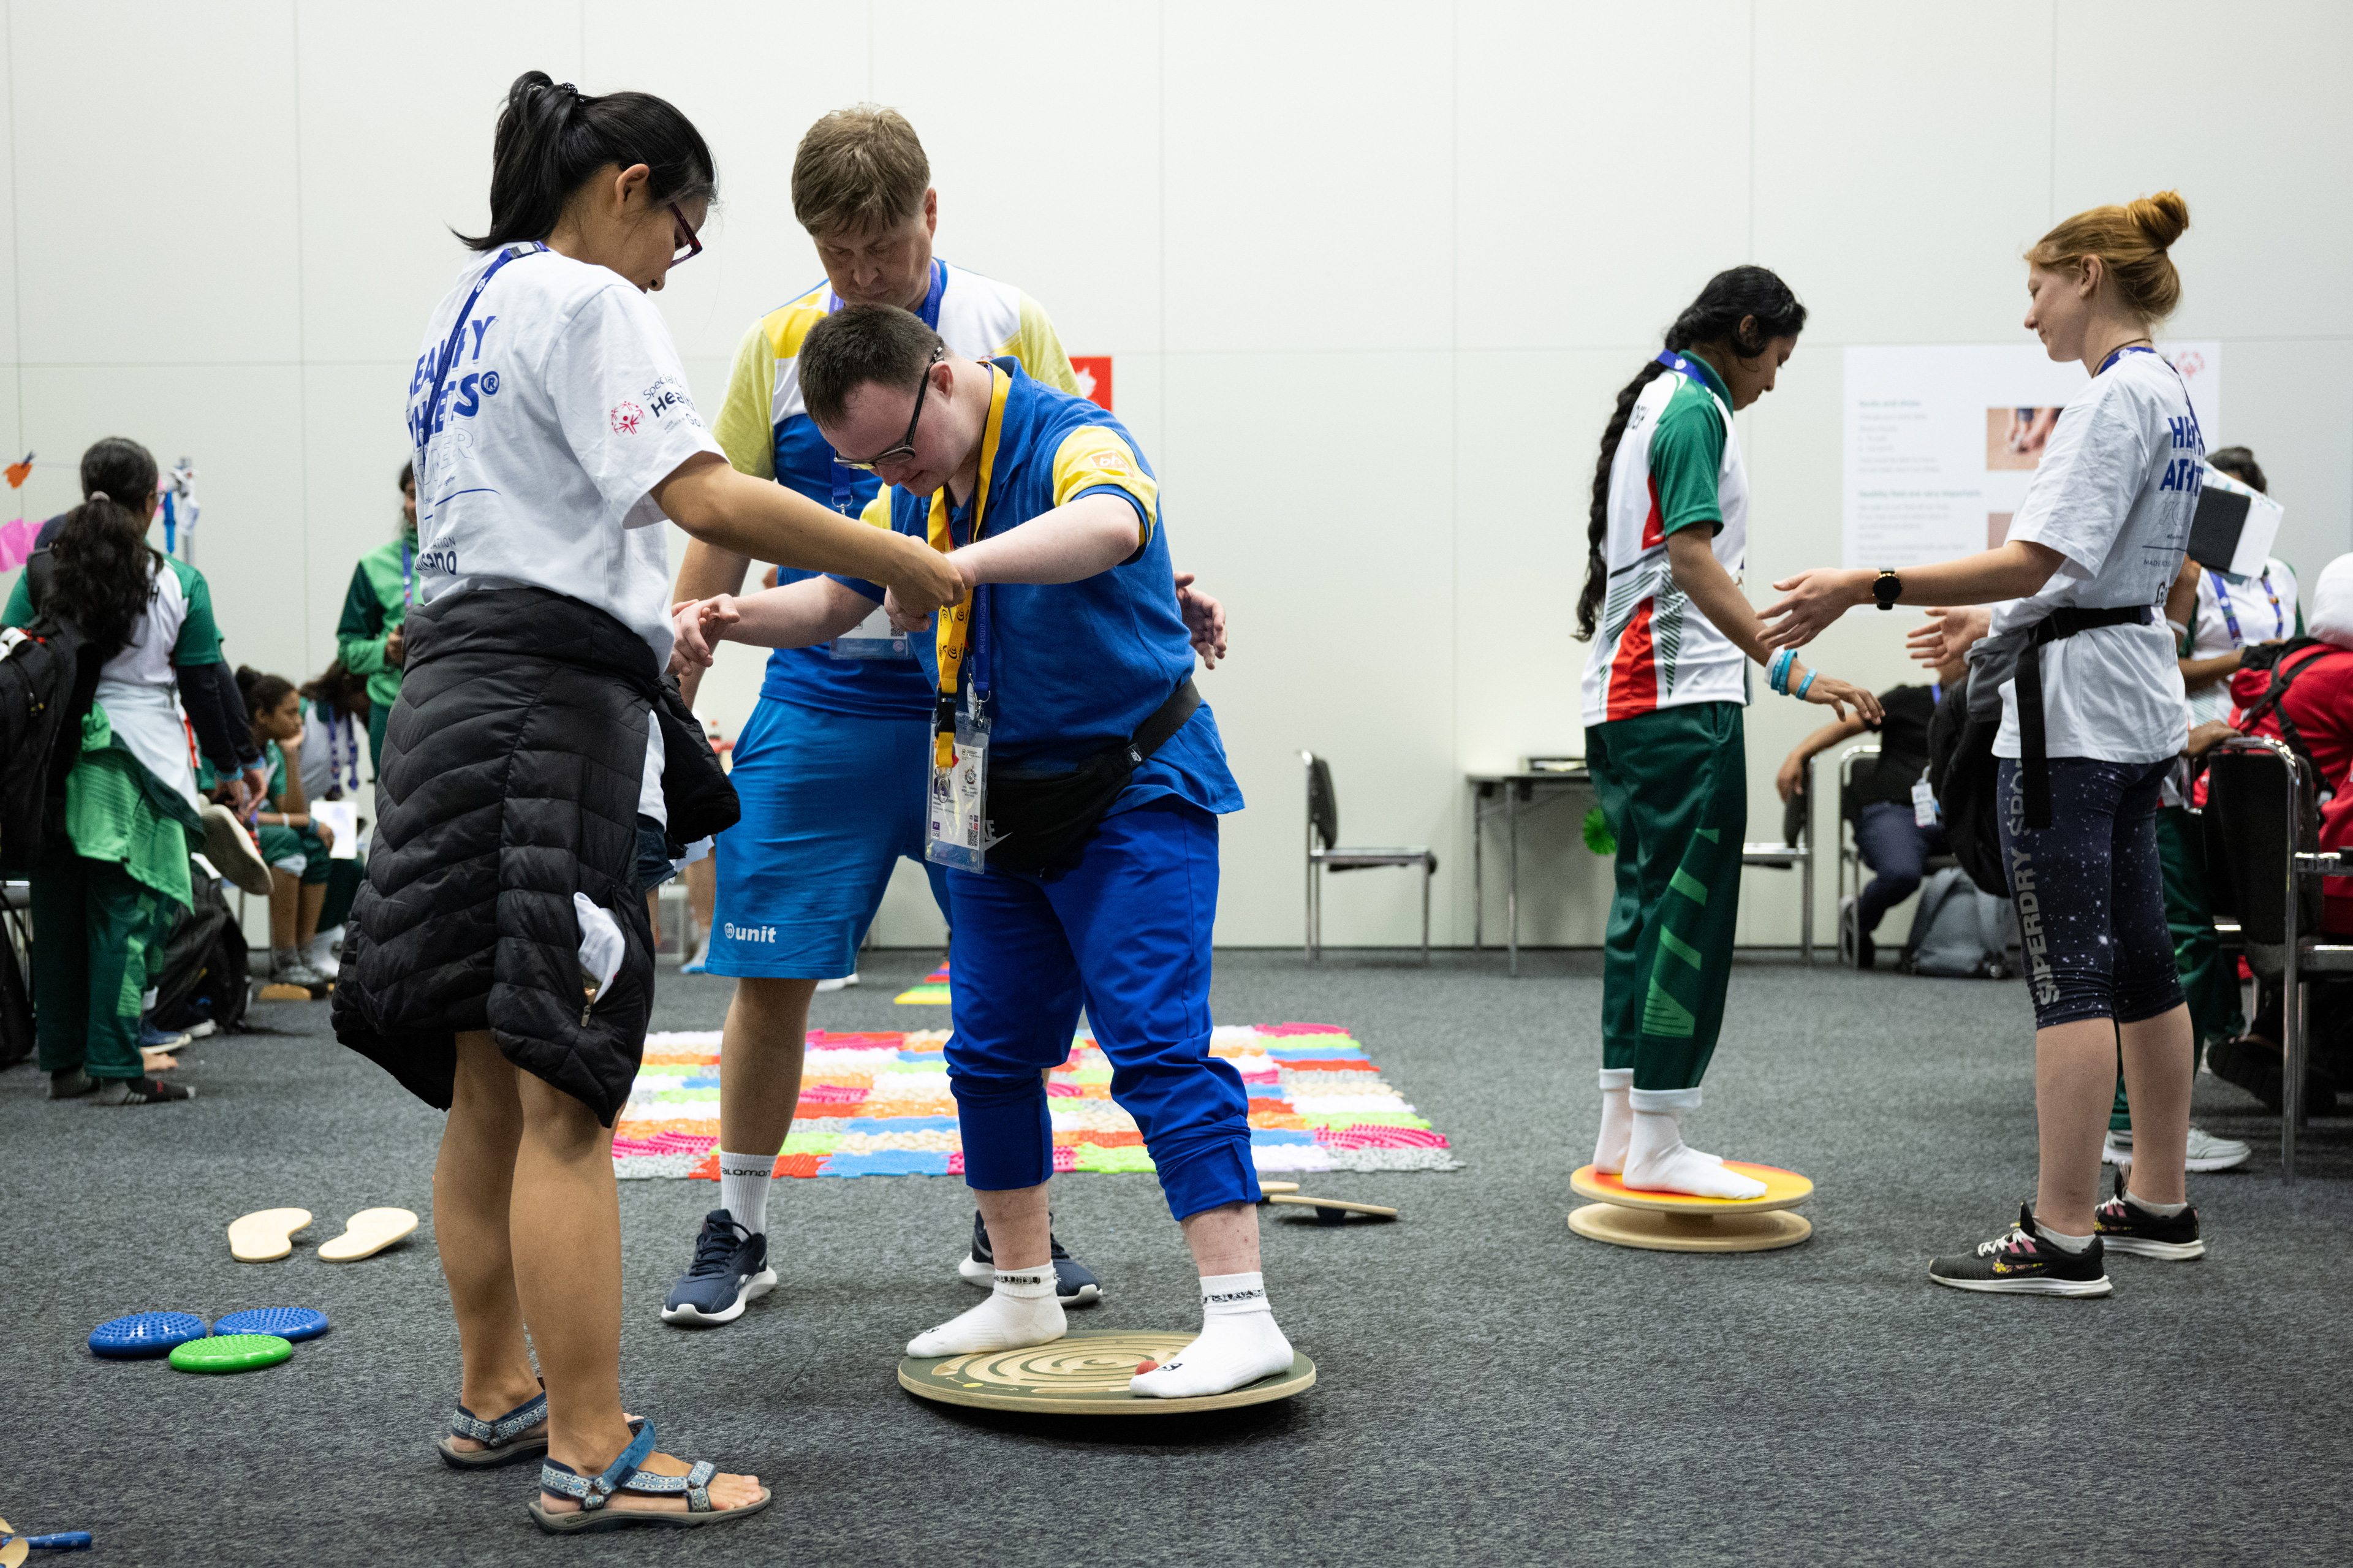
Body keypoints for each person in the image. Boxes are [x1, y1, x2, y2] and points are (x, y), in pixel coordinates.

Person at [330, 72, 963, 1532]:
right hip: (544, 717)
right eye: (681, 230)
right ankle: (592, 1446)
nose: (675, 263)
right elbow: (704, 496)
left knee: (489, 1078)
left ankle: (499, 1391)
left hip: (445, 702)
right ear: (630, 187)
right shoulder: (588, 297)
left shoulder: (460, 310)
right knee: (569, 1090)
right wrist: (903, 561)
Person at [661, 104, 1224, 1328]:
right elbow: (719, 514)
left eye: (883, 247)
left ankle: (1006, 1226)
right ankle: (738, 1221)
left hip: (978, 709)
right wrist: (682, 672)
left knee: (1009, 979)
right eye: (838, 253)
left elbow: (1081, 485)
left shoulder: (1008, 324)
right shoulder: (776, 344)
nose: (863, 274)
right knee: (770, 966)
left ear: (930, 211)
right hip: (822, 693)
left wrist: (1160, 592)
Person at [1768, 192, 2205, 1297]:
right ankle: (2159, 1199)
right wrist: (1995, 621)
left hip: (2074, 725)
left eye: (2038, 287)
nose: (2030, 313)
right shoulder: (2169, 394)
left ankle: (2062, 1231)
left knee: (2071, 972)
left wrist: (1866, 583)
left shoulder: (2110, 400)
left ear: (2090, 275)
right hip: (2131, 702)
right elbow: (2088, 575)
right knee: (2144, 962)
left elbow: (2035, 560)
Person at [1573, 266, 1881, 1201]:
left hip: (1625, 699)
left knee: (1643, 906)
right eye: (1777, 357)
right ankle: (1661, 1137)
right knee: (1689, 912)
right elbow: (1693, 558)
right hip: (1678, 698)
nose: (1775, 381)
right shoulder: (1695, 409)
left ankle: (1624, 1125)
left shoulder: (1659, 400)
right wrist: (1793, 668)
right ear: (1745, 332)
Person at [4, 438, 263, 1104]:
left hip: (54, 769)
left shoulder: (41, 571)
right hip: (137, 768)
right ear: (152, 502)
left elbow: (12, 656)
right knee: (127, 920)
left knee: (59, 920)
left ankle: (66, 1067)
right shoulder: (178, 581)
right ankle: (119, 1070)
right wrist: (231, 769)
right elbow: (204, 684)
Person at [2200, 551, 2353, 1109]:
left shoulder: (2288, 664)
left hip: (2248, 873)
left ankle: (2281, 1039)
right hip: (2309, 880)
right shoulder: (2345, 676)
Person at [1778, 643, 1965, 970]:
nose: (1966, 660)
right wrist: (1799, 754)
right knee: (1901, 874)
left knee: (2011, 863)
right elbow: (1846, 725)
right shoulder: (1908, 699)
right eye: (1957, 652)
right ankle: (1858, 918)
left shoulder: (1987, 707)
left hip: (1961, 815)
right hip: (1896, 812)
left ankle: (1975, 950)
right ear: (1938, 661)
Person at [236, 666, 336, 993]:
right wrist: (303, 822)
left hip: (259, 828)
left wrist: (291, 756)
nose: (298, 722)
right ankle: (285, 960)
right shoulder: (230, 745)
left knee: (315, 845)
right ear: (262, 716)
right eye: (290, 713)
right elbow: (232, 813)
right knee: (287, 839)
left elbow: (292, 810)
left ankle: (305, 954)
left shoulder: (273, 750)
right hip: (226, 832)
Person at [335, 461, 418, 771]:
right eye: (412, 495)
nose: (419, 505)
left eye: (430, 493)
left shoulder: (472, 562)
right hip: (392, 708)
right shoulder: (374, 566)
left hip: (457, 707)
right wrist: (387, 650)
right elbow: (348, 652)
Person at [294, 658, 371, 977]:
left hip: (311, 808)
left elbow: (327, 772)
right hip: (283, 809)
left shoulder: (346, 720)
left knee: (357, 862)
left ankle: (328, 935)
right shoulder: (305, 713)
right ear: (350, 687)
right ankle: (315, 944)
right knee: (341, 861)